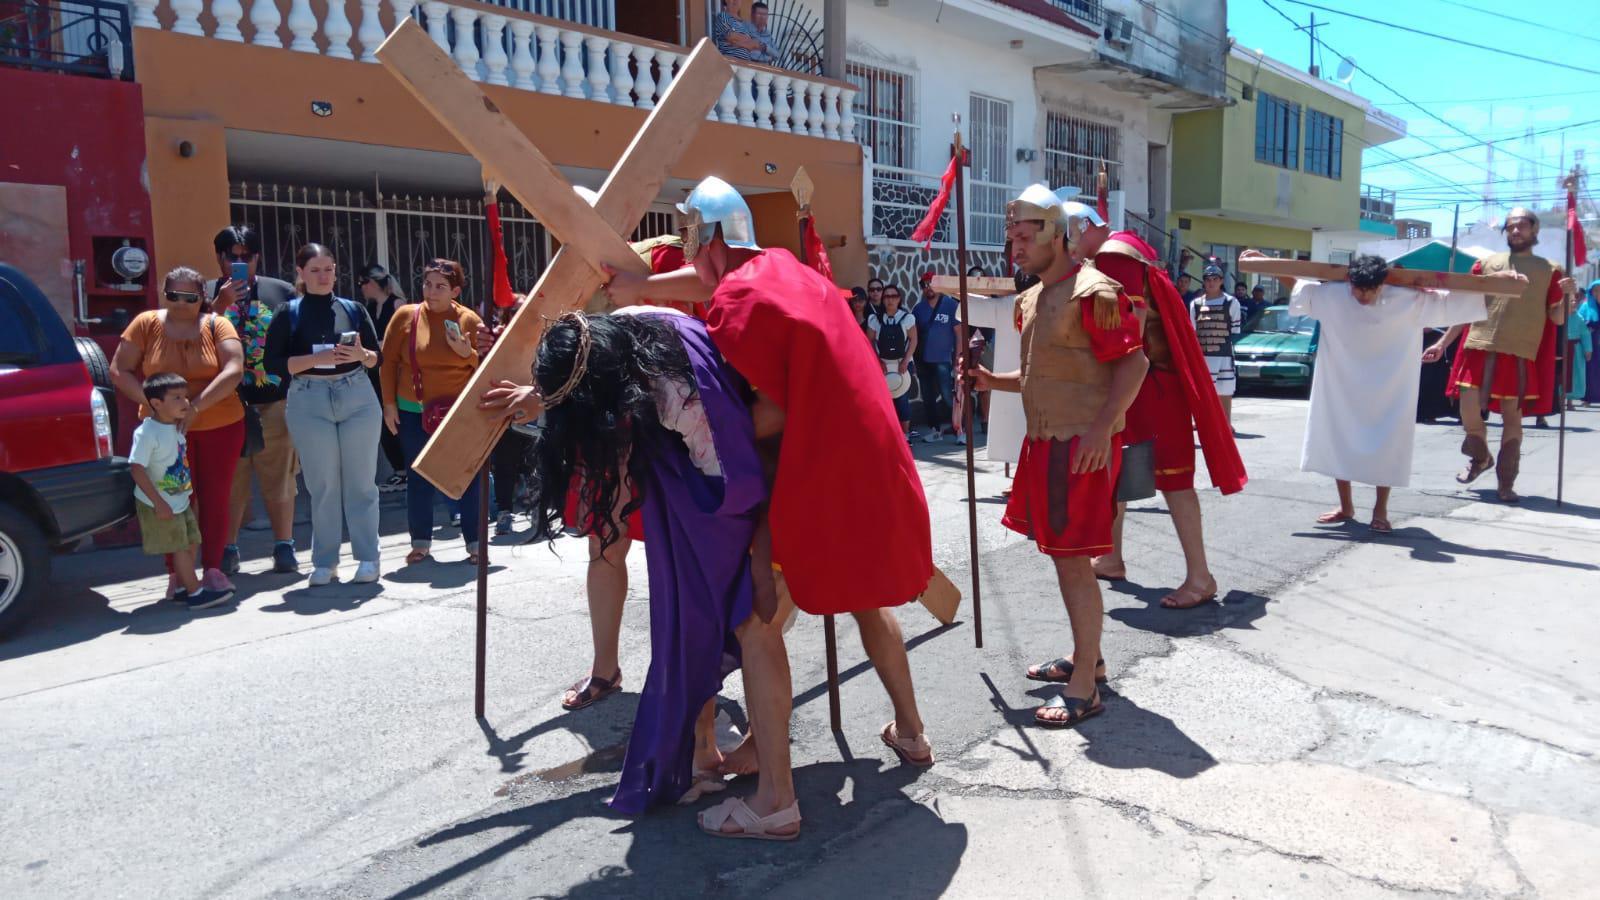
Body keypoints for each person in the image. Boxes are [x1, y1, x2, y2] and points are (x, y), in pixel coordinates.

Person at [600, 175, 937, 835]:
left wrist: (681, 442)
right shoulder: (785, 272)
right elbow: (714, 283)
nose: (690, 250)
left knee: (756, 624)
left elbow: (773, 409)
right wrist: (642, 288)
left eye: (693, 236)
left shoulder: (742, 300)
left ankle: (775, 800)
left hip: (816, 475)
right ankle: (910, 732)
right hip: (868, 469)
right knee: (866, 600)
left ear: (708, 236)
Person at [967, 183, 1147, 728]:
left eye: (1025, 236)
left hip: (1080, 446)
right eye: (1012, 237)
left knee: (1072, 561)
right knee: (1063, 558)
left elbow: (1133, 365)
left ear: (1055, 235)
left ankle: (1085, 685)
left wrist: (1101, 430)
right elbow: (1036, 376)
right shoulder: (1032, 298)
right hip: (1046, 442)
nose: (1015, 248)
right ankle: (1088, 657)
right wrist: (988, 381)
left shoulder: (1096, 292)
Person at [1259, 252, 1494, 532]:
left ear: (1381, 284)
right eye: (1358, 289)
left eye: (1370, 290)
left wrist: (1494, 282)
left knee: (1389, 443)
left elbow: (1455, 302)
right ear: (1350, 283)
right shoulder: (1335, 295)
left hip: (1390, 387)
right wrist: (1266, 263)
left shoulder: (1407, 298)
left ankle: (1380, 509)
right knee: (1339, 437)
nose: (1363, 296)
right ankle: (1345, 506)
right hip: (1342, 384)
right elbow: (1300, 288)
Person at [1081, 227, 1247, 610]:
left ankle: (1201, 577)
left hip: (1149, 386)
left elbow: (1131, 326)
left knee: (1174, 480)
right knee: (1117, 470)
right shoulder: (1122, 252)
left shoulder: (1115, 256)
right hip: (1140, 384)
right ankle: (1111, 557)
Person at [111, 266, 246, 597]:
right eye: (174, 295)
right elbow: (119, 370)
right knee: (174, 498)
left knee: (214, 498)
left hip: (219, 424)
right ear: (163, 294)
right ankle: (177, 573)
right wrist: (156, 405)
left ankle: (213, 569)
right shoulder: (146, 324)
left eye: (190, 297)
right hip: (163, 431)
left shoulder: (217, 324)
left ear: (203, 297)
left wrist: (195, 406)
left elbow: (234, 368)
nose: (182, 303)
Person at [1426, 208, 1574, 503]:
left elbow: (1557, 318)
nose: (1515, 231)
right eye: (1510, 226)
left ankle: (1506, 482)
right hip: (1477, 346)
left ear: (1534, 230)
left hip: (1519, 351)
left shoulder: (1550, 269)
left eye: (1522, 226)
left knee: (1511, 419)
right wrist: (1442, 343)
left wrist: (1568, 297)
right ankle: (1481, 458)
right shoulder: (1486, 264)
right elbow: (1467, 309)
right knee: (1468, 411)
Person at [264, 243, 384, 585]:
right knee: (323, 485)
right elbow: (273, 363)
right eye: (315, 270)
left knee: (362, 483)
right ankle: (325, 561)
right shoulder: (288, 312)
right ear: (301, 273)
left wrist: (361, 355)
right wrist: (317, 359)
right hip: (309, 396)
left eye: (328, 269)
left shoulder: (352, 308)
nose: (323, 276)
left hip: (356, 393)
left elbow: (377, 358)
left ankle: (368, 558)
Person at [379, 258, 486, 564]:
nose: (431, 291)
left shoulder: (469, 321)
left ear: (455, 291)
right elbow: (388, 363)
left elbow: (488, 367)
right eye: (427, 284)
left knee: (467, 476)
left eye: (440, 286)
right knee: (418, 476)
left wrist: (467, 353)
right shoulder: (405, 316)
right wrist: (389, 405)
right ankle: (420, 543)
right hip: (413, 410)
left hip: (458, 413)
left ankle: (476, 544)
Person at [210, 225, 300, 577]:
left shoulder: (281, 291)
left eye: (246, 257)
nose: (239, 263)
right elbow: (191, 341)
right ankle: (228, 549)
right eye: (231, 257)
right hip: (224, 404)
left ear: (257, 258)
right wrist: (218, 306)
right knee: (231, 481)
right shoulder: (203, 294)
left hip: (275, 400)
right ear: (219, 258)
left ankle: (284, 546)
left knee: (280, 477)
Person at [129, 373, 236, 610]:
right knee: (179, 547)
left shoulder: (176, 427)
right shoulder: (147, 433)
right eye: (176, 397)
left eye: (185, 396)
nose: (185, 402)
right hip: (160, 503)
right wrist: (158, 503)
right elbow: (136, 468)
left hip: (179, 500)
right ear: (156, 403)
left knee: (190, 541)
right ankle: (195, 593)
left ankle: (180, 588)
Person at [358, 263, 410, 493]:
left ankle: (408, 469)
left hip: (395, 372)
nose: (361, 288)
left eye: (363, 283)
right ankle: (399, 469)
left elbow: (406, 339)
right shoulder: (369, 308)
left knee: (398, 418)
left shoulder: (397, 305)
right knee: (380, 420)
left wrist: (380, 345)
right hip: (374, 371)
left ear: (372, 282)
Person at [1190, 264, 1241, 425]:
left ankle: (1226, 423)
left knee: (1225, 390)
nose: (1211, 283)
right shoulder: (1195, 304)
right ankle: (1201, 422)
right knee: (1203, 391)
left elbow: (1235, 331)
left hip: (1224, 355)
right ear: (1204, 282)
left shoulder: (1231, 302)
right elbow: (1193, 331)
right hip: (1203, 355)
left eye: (1215, 279)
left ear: (1221, 281)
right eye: (1208, 279)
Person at [913, 271, 960, 444]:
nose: (928, 288)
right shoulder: (918, 309)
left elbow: (959, 334)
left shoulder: (951, 305)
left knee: (948, 396)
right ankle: (935, 430)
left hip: (943, 359)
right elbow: (913, 335)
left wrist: (958, 358)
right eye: (924, 285)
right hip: (923, 361)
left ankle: (960, 429)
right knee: (928, 398)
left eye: (931, 284)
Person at [868, 284, 917, 438]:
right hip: (883, 365)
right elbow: (869, 341)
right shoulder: (875, 319)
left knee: (902, 399)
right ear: (883, 299)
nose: (890, 300)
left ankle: (905, 435)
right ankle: (888, 434)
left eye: (894, 296)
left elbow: (914, 340)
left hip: (902, 364)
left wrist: (906, 361)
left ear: (899, 299)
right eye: (887, 296)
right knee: (884, 401)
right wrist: (878, 361)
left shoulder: (907, 318)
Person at [713, 0, 776, 65]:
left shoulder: (744, 23)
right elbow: (731, 36)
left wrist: (739, 42)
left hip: (745, 64)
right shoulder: (723, 16)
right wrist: (747, 41)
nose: (735, 1)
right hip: (730, 62)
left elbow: (753, 45)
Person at [1565, 292, 1591, 410]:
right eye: (1571, 301)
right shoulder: (1560, 317)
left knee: (1575, 375)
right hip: (1563, 349)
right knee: (1561, 375)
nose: (1574, 303)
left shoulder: (1579, 318)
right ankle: (1559, 401)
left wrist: (1588, 350)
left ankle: (1570, 402)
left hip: (1576, 350)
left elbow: (1585, 334)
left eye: (1575, 300)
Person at [1582, 282, 1600, 406]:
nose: (1598, 293)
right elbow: (1580, 323)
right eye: (1596, 290)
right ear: (1591, 292)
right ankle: (1588, 397)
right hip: (1591, 342)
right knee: (1590, 369)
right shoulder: (1586, 306)